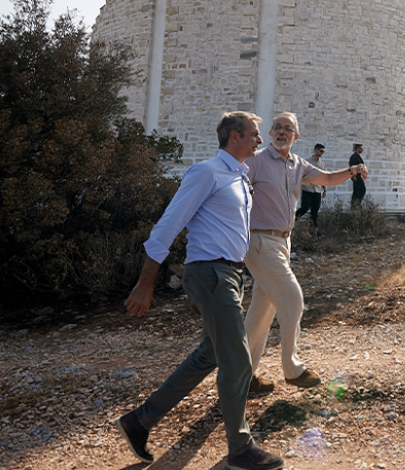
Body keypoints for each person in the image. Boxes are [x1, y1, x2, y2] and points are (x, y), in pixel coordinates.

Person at [116, 111, 284, 470]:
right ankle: (240, 448)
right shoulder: (206, 172)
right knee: (237, 358)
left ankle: (139, 421)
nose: (260, 140)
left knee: (211, 354)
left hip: (231, 275)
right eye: (254, 134)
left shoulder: (239, 176)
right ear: (234, 137)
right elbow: (168, 226)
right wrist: (146, 284)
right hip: (210, 275)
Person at [244, 114, 368, 392]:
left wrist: (353, 171)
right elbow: (234, 189)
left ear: (296, 137)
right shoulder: (255, 162)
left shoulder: (298, 164)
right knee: (292, 299)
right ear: (270, 132)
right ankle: (291, 367)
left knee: (262, 311)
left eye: (288, 129)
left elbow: (326, 178)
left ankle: (242, 376)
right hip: (260, 242)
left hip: (283, 243)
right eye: (277, 127)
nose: (282, 132)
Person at [294, 143, 326, 228]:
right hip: (307, 189)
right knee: (304, 208)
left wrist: (324, 189)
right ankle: (291, 221)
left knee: (315, 211)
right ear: (315, 150)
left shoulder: (322, 164)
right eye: (321, 151)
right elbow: (300, 174)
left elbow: (323, 177)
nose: (322, 153)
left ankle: (314, 230)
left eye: (323, 152)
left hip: (317, 190)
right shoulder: (306, 162)